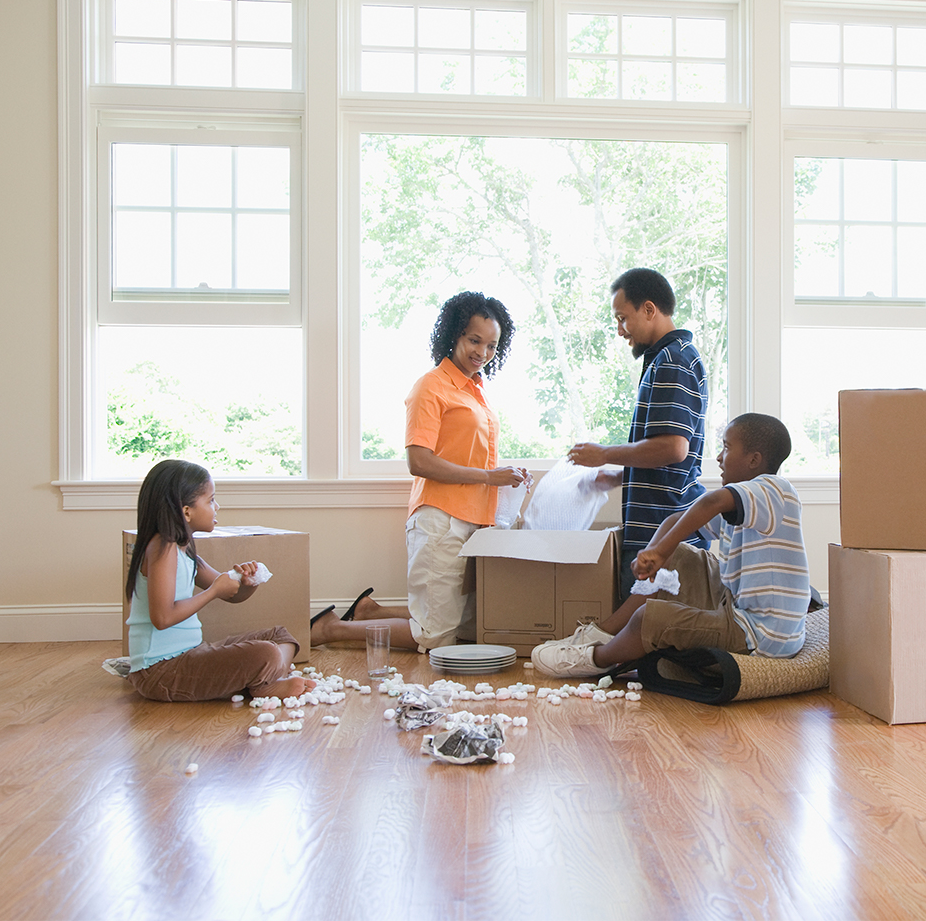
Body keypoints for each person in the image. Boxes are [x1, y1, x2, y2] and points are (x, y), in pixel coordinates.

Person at [317, 291, 527, 652]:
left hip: (475, 520)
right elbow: (419, 461)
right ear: (455, 335)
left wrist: (505, 477)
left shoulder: (477, 390)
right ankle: (330, 629)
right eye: (474, 340)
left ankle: (370, 612)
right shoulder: (431, 386)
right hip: (440, 520)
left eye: (492, 345)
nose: (482, 352)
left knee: (465, 620)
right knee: (435, 636)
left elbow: (468, 455)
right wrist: (489, 477)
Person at [532, 413, 810, 679]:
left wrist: (660, 551)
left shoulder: (776, 490)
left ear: (754, 459)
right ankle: (603, 633)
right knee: (678, 554)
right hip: (735, 607)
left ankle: (595, 659)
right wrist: (654, 553)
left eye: (726, 447)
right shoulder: (744, 502)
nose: (719, 457)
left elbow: (711, 502)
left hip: (762, 636)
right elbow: (676, 520)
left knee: (649, 619)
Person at [566, 267, 708, 601]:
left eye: (622, 318)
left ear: (648, 309)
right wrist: (620, 476)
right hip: (657, 526)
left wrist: (604, 453)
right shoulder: (667, 359)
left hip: (660, 529)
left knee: (646, 626)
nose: (620, 330)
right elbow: (668, 458)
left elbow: (673, 448)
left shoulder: (673, 360)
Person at [124, 459, 316, 702]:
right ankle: (264, 683)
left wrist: (247, 583)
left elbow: (231, 594)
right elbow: (162, 618)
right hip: (159, 671)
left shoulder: (185, 551)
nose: (217, 506)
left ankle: (264, 678)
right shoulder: (163, 548)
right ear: (187, 511)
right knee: (265, 653)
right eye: (211, 500)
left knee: (280, 636)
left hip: (191, 653)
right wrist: (213, 591)